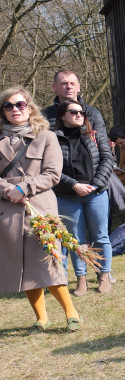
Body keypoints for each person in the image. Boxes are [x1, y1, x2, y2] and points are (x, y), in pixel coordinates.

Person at [1, 87, 82, 331]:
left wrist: (24, 188)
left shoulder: (46, 136)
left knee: (48, 261)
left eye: (20, 104)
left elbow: (53, 174)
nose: (15, 109)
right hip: (8, 210)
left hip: (39, 207)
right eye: (8, 105)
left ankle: (71, 313)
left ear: (30, 107)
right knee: (23, 266)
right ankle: (42, 318)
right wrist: (8, 191)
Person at [53, 100, 114, 295]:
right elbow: (51, 169)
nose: (79, 115)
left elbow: (108, 159)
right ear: (62, 116)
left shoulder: (93, 134)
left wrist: (95, 184)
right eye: (73, 112)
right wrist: (74, 185)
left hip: (96, 193)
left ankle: (104, 276)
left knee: (100, 236)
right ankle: (81, 280)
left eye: (81, 112)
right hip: (67, 195)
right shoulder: (53, 138)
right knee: (76, 240)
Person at [42, 68, 108, 145]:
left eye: (72, 83)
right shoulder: (44, 116)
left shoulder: (92, 114)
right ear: (54, 87)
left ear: (78, 87)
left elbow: (103, 146)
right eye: (64, 83)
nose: (69, 87)